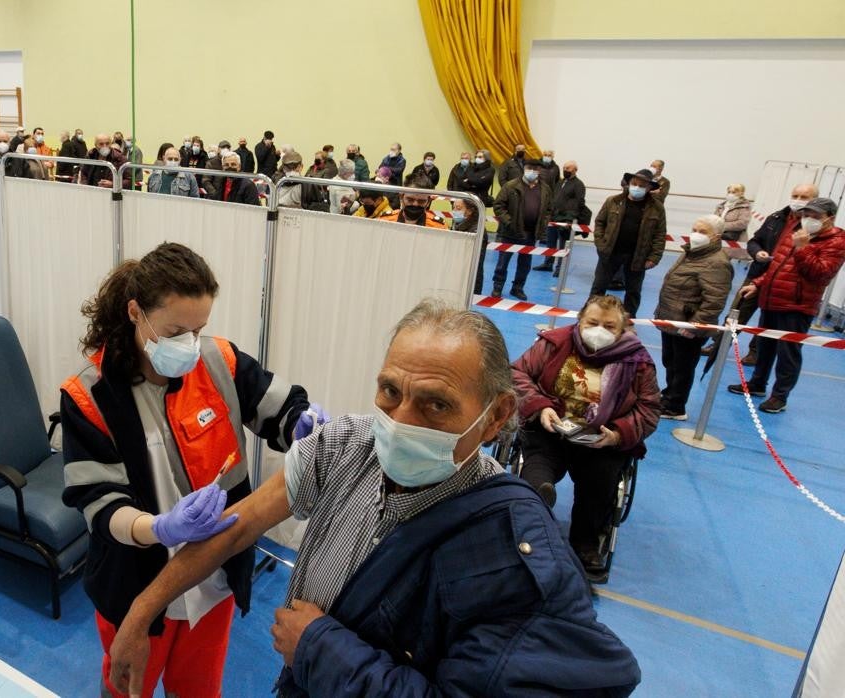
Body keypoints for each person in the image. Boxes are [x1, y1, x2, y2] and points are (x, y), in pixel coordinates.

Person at [105, 298, 642, 697]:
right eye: (390, 391)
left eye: (435, 406)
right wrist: (141, 613)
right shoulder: (347, 444)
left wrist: (319, 648)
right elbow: (238, 526)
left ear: (497, 415)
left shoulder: (511, 554)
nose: (400, 421)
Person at [61, 242, 319, 698]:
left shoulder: (221, 361)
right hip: (135, 585)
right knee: (127, 690)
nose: (190, 345)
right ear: (136, 313)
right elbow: (98, 504)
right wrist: (158, 527)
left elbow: (277, 409)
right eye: (176, 330)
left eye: (198, 329)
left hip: (210, 576)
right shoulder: (90, 396)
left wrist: (300, 422)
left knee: (198, 691)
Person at [513, 294, 660, 581]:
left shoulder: (639, 362)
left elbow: (650, 408)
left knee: (600, 478)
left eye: (609, 326)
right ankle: (535, 508)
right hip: (552, 427)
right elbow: (517, 373)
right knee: (538, 464)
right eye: (593, 323)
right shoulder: (554, 343)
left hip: (601, 439)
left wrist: (619, 433)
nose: (599, 331)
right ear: (580, 320)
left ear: (623, 331)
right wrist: (540, 406)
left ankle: (585, 544)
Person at [730, 197, 845, 413]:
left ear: (830, 218)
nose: (808, 219)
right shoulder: (796, 231)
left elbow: (820, 274)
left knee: (788, 353)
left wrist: (802, 248)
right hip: (772, 298)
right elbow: (779, 265)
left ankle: (780, 396)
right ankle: (757, 383)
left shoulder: (836, 241)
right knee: (764, 345)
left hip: (797, 305)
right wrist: (758, 284)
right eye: (806, 215)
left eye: (815, 216)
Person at [707, 184, 818, 363]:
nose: (797, 200)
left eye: (804, 197)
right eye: (795, 195)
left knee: (768, 320)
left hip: (785, 280)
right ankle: (719, 344)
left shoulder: (813, 227)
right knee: (738, 311)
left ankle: (755, 353)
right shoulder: (776, 217)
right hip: (758, 272)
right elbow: (754, 241)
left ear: (814, 200)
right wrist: (757, 252)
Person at [653, 215, 733, 420]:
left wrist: (695, 326)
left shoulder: (717, 263)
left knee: (683, 366)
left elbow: (714, 301)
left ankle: (675, 406)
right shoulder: (692, 253)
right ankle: (668, 396)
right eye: (695, 229)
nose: (696, 234)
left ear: (716, 237)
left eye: (703, 231)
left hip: (689, 325)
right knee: (670, 361)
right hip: (672, 319)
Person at [588, 168, 668, 316]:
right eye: (634, 183)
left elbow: (660, 234)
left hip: (638, 256)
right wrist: (600, 243)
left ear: (649, 188)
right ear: (629, 183)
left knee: (633, 291)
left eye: (642, 185)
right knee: (598, 287)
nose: (637, 187)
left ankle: (628, 321)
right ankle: (590, 316)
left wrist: (654, 257)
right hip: (610, 253)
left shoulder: (657, 209)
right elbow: (600, 222)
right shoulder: (613, 201)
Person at [491, 164, 552, 300]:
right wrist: (509, 222)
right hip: (510, 233)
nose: (532, 172)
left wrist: (543, 223)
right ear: (524, 170)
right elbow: (498, 205)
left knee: (525, 264)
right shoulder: (510, 186)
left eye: (534, 170)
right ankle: (497, 287)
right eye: (529, 169)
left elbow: (548, 210)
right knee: (503, 262)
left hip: (531, 233)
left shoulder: (545, 189)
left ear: (539, 171)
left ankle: (517, 288)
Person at [535, 160, 589, 276]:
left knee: (563, 245)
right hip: (554, 217)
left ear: (575, 170)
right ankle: (548, 264)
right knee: (550, 242)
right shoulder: (560, 182)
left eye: (568, 168)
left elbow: (579, 203)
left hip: (566, 219)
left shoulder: (579, 185)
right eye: (564, 168)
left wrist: (570, 219)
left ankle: (560, 268)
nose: (565, 170)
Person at [451, 198, 487, 295]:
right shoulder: (457, 224)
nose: (454, 211)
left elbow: (473, 258)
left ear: (470, 211)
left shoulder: (477, 230)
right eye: (453, 208)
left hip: (469, 277)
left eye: (458, 208)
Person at [378, 184, 447, 228]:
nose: (415, 204)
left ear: (428, 202)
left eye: (421, 201)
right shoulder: (385, 221)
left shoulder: (439, 227)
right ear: (401, 197)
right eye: (410, 199)